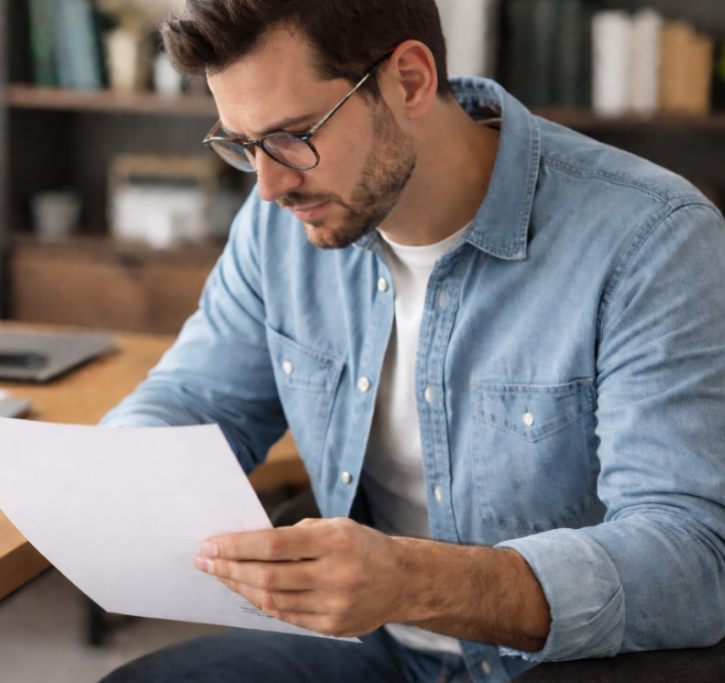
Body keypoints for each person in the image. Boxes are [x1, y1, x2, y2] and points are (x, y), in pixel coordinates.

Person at [98, 1, 725, 681]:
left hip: (560, 656)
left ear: (410, 80)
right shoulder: (280, 220)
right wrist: (107, 467)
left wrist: (410, 580)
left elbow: (692, 559)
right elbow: (193, 395)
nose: (271, 185)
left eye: (292, 134)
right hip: (373, 638)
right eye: (243, 144)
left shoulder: (653, 239)